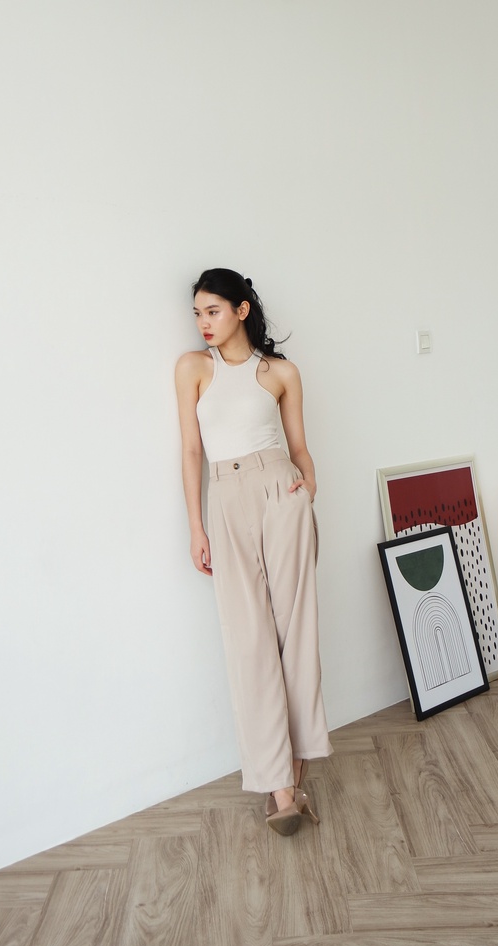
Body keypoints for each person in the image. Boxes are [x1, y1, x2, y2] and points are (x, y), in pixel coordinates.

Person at [174, 268, 333, 836]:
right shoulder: (193, 369)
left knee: (296, 633)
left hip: (280, 492)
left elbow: (300, 448)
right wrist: (197, 527)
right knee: (251, 642)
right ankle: (278, 782)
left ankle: (292, 775)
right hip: (226, 497)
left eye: (213, 311)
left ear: (241, 310)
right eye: (198, 313)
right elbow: (191, 451)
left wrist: (307, 488)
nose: (203, 323)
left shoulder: (281, 373)